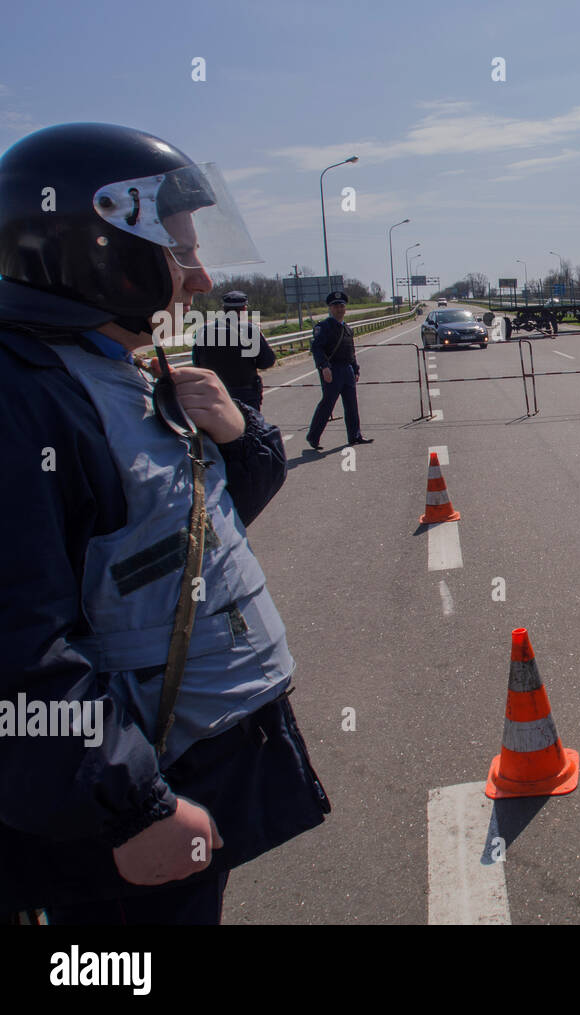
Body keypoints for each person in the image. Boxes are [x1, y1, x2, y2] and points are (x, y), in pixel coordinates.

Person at [0, 122, 330, 925]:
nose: (202, 277)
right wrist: (128, 803)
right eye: (179, 254)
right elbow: (18, 642)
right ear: (101, 254)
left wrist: (239, 434)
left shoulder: (112, 367)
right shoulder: (26, 400)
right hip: (125, 798)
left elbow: (192, 527)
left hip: (186, 758)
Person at [305, 290, 371, 451]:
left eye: (341, 306)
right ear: (330, 308)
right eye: (335, 306)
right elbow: (317, 348)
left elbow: (351, 351)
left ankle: (355, 435)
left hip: (347, 369)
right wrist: (324, 367)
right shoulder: (324, 327)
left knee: (351, 405)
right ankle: (313, 437)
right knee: (327, 404)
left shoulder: (347, 328)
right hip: (332, 369)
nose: (339, 309)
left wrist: (355, 369)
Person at [191, 290, 276, 410]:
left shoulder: (203, 331)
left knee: (217, 427)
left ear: (223, 309)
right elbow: (267, 361)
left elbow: (197, 362)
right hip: (244, 393)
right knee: (248, 427)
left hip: (213, 391)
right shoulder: (250, 330)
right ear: (244, 309)